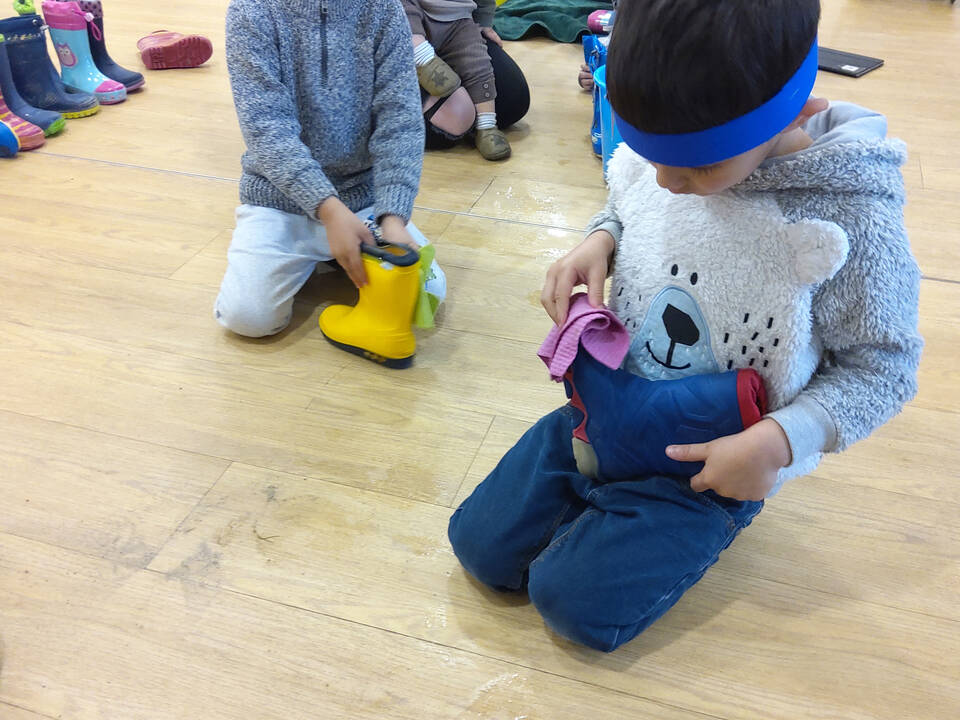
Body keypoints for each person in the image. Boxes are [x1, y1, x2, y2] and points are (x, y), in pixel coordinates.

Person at [448, 0, 922, 652]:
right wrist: (601, 240)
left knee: (573, 605)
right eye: (646, 149)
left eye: (696, 168)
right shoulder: (669, 142)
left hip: (708, 466)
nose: (665, 181)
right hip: (605, 413)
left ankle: (682, 523)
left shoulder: (848, 212)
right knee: (478, 546)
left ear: (790, 108)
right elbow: (629, 197)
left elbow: (886, 365)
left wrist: (780, 442)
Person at [215, 0, 441, 339]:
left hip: (363, 200)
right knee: (247, 318)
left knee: (430, 294)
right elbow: (266, 127)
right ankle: (320, 255)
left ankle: (336, 252)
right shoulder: (251, 11)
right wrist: (328, 210)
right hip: (278, 199)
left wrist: (393, 217)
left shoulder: (383, 9)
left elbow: (400, 121)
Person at [404, 0, 514, 160]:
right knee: (401, 13)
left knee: (479, 61)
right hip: (411, 12)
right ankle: (422, 57)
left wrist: (483, 20)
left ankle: (487, 125)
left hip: (459, 18)